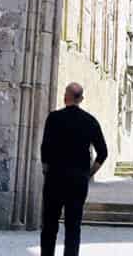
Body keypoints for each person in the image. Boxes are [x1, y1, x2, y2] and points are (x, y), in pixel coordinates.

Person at [39, 82, 108, 256]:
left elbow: (45, 149)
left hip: (55, 178)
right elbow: (103, 153)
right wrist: (88, 174)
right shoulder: (90, 121)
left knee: (49, 225)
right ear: (81, 99)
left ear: (65, 96)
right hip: (78, 181)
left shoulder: (54, 118)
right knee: (73, 227)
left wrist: (46, 169)